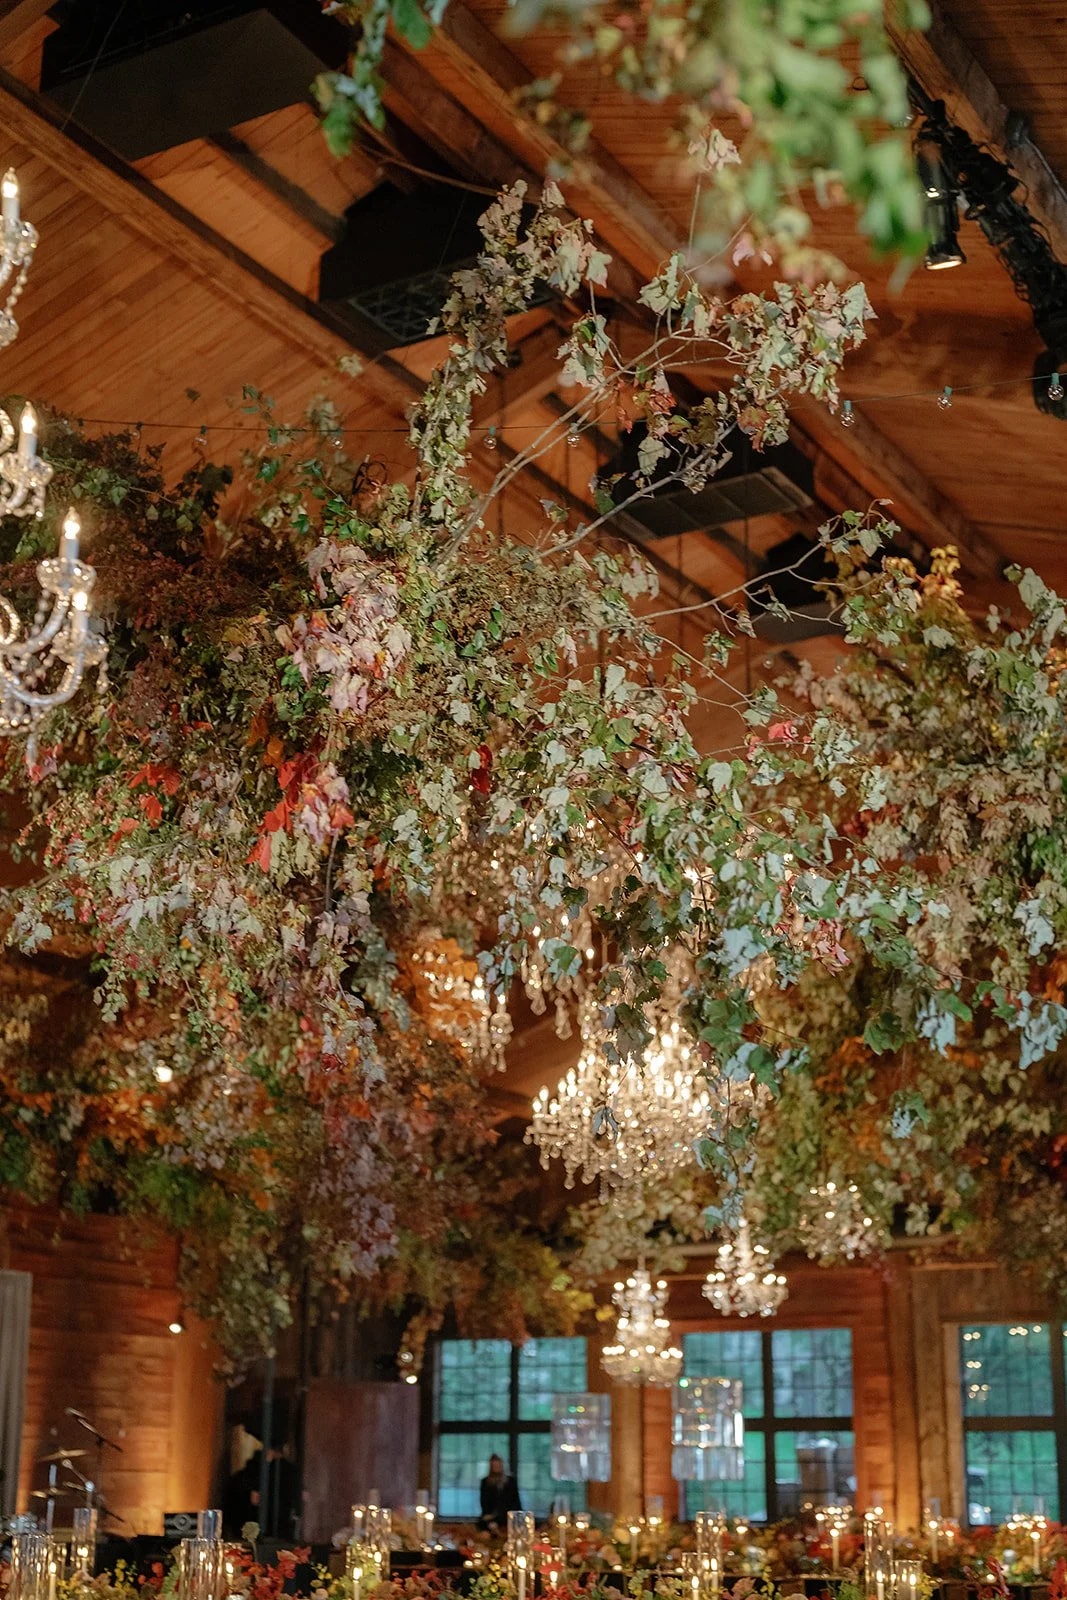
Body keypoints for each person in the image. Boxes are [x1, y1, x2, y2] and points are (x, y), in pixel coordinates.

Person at [478, 1453, 521, 1531]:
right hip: (490, 1516)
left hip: (507, 1515)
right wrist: (490, 1517)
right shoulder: (485, 1482)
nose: (496, 1468)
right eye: (494, 1466)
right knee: (483, 1524)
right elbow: (484, 1502)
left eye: (498, 1465)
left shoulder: (510, 1481)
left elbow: (515, 1502)